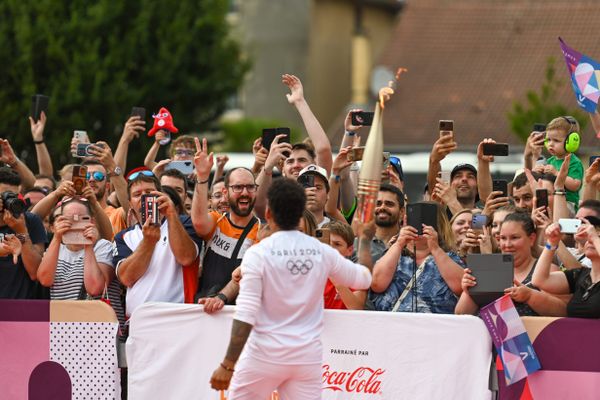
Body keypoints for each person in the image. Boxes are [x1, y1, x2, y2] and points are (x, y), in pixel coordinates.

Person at [209, 178, 371, 398]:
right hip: (305, 359)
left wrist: (228, 365)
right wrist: (364, 239)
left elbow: (246, 314)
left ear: (268, 214)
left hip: (263, 356)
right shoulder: (322, 252)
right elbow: (364, 279)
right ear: (301, 214)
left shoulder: (258, 254)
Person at [113, 171, 201, 316]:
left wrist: (171, 214)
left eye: (149, 192)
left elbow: (186, 258)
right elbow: (126, 278)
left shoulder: (184, 222)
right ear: (130, 203)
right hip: (139, 320)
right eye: (137, 194)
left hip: (179, 316)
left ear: (161, 195)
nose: (143, 198)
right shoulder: (123, 236)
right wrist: (148, 242)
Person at [191, 138, 260, 312]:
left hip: (238, 315)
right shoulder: (217, 220)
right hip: (204, 311)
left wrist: (222, 297)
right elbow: (198, 222)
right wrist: (202, 177)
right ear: (225, 192)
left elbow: (246, 273)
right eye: (238, 187)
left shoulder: (262, 231)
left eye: (250, 187)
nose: (245, 193)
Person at [36, 197, 125, 327]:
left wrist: (88, 244)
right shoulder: (55, 249)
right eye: (68, 220)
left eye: (82, 219)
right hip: (64, 329)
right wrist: (57, 237)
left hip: (101, 329)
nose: (75, 224)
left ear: (92, 222)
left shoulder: (103, 246)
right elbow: (44, 280)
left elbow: (94, 288)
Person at [455, 212, 566, 316]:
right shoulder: (487, 269)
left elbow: (562, 311)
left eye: (514, 238)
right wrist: (468, 292)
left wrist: (530, 296)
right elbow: (461, 315)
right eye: (503, 238)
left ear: (531, 239)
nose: (507, 245)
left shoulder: (548, 270)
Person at [370, 202, 465, 313]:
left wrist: (435, 248)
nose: (419, 224)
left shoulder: (451, 258)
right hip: (392, 327)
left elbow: (461, 288)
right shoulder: (392, 253)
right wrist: (399, 242)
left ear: (438, 225)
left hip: (437, 327)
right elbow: (377, 284)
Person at [532, 221, 600, 318]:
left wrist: (594, 237)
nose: (591, 240)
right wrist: (552, 242)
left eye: (598, 238)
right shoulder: (580, 275)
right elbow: (539, 280)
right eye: (589, 238)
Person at [0, 167, 47, 298]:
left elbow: (35, 273)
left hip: (21, 308)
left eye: (13, 196)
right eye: (4, 196)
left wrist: (21, 231)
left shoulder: (30, 221)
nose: (10, 201)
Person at [534, 116, 584, 208]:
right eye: (548, 140)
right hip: (551, 203)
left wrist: (556, 173)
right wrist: (537, 173)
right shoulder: (549, 161)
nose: (550, 144)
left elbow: (575, 185)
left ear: (571, 142)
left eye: (556, 140)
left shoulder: (574, 162)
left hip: (568, 204)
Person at [322, 220, 368, 310]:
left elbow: (356, 308)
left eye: (337, 244)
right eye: (326, 243)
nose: (330, 248)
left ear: (349, 250)